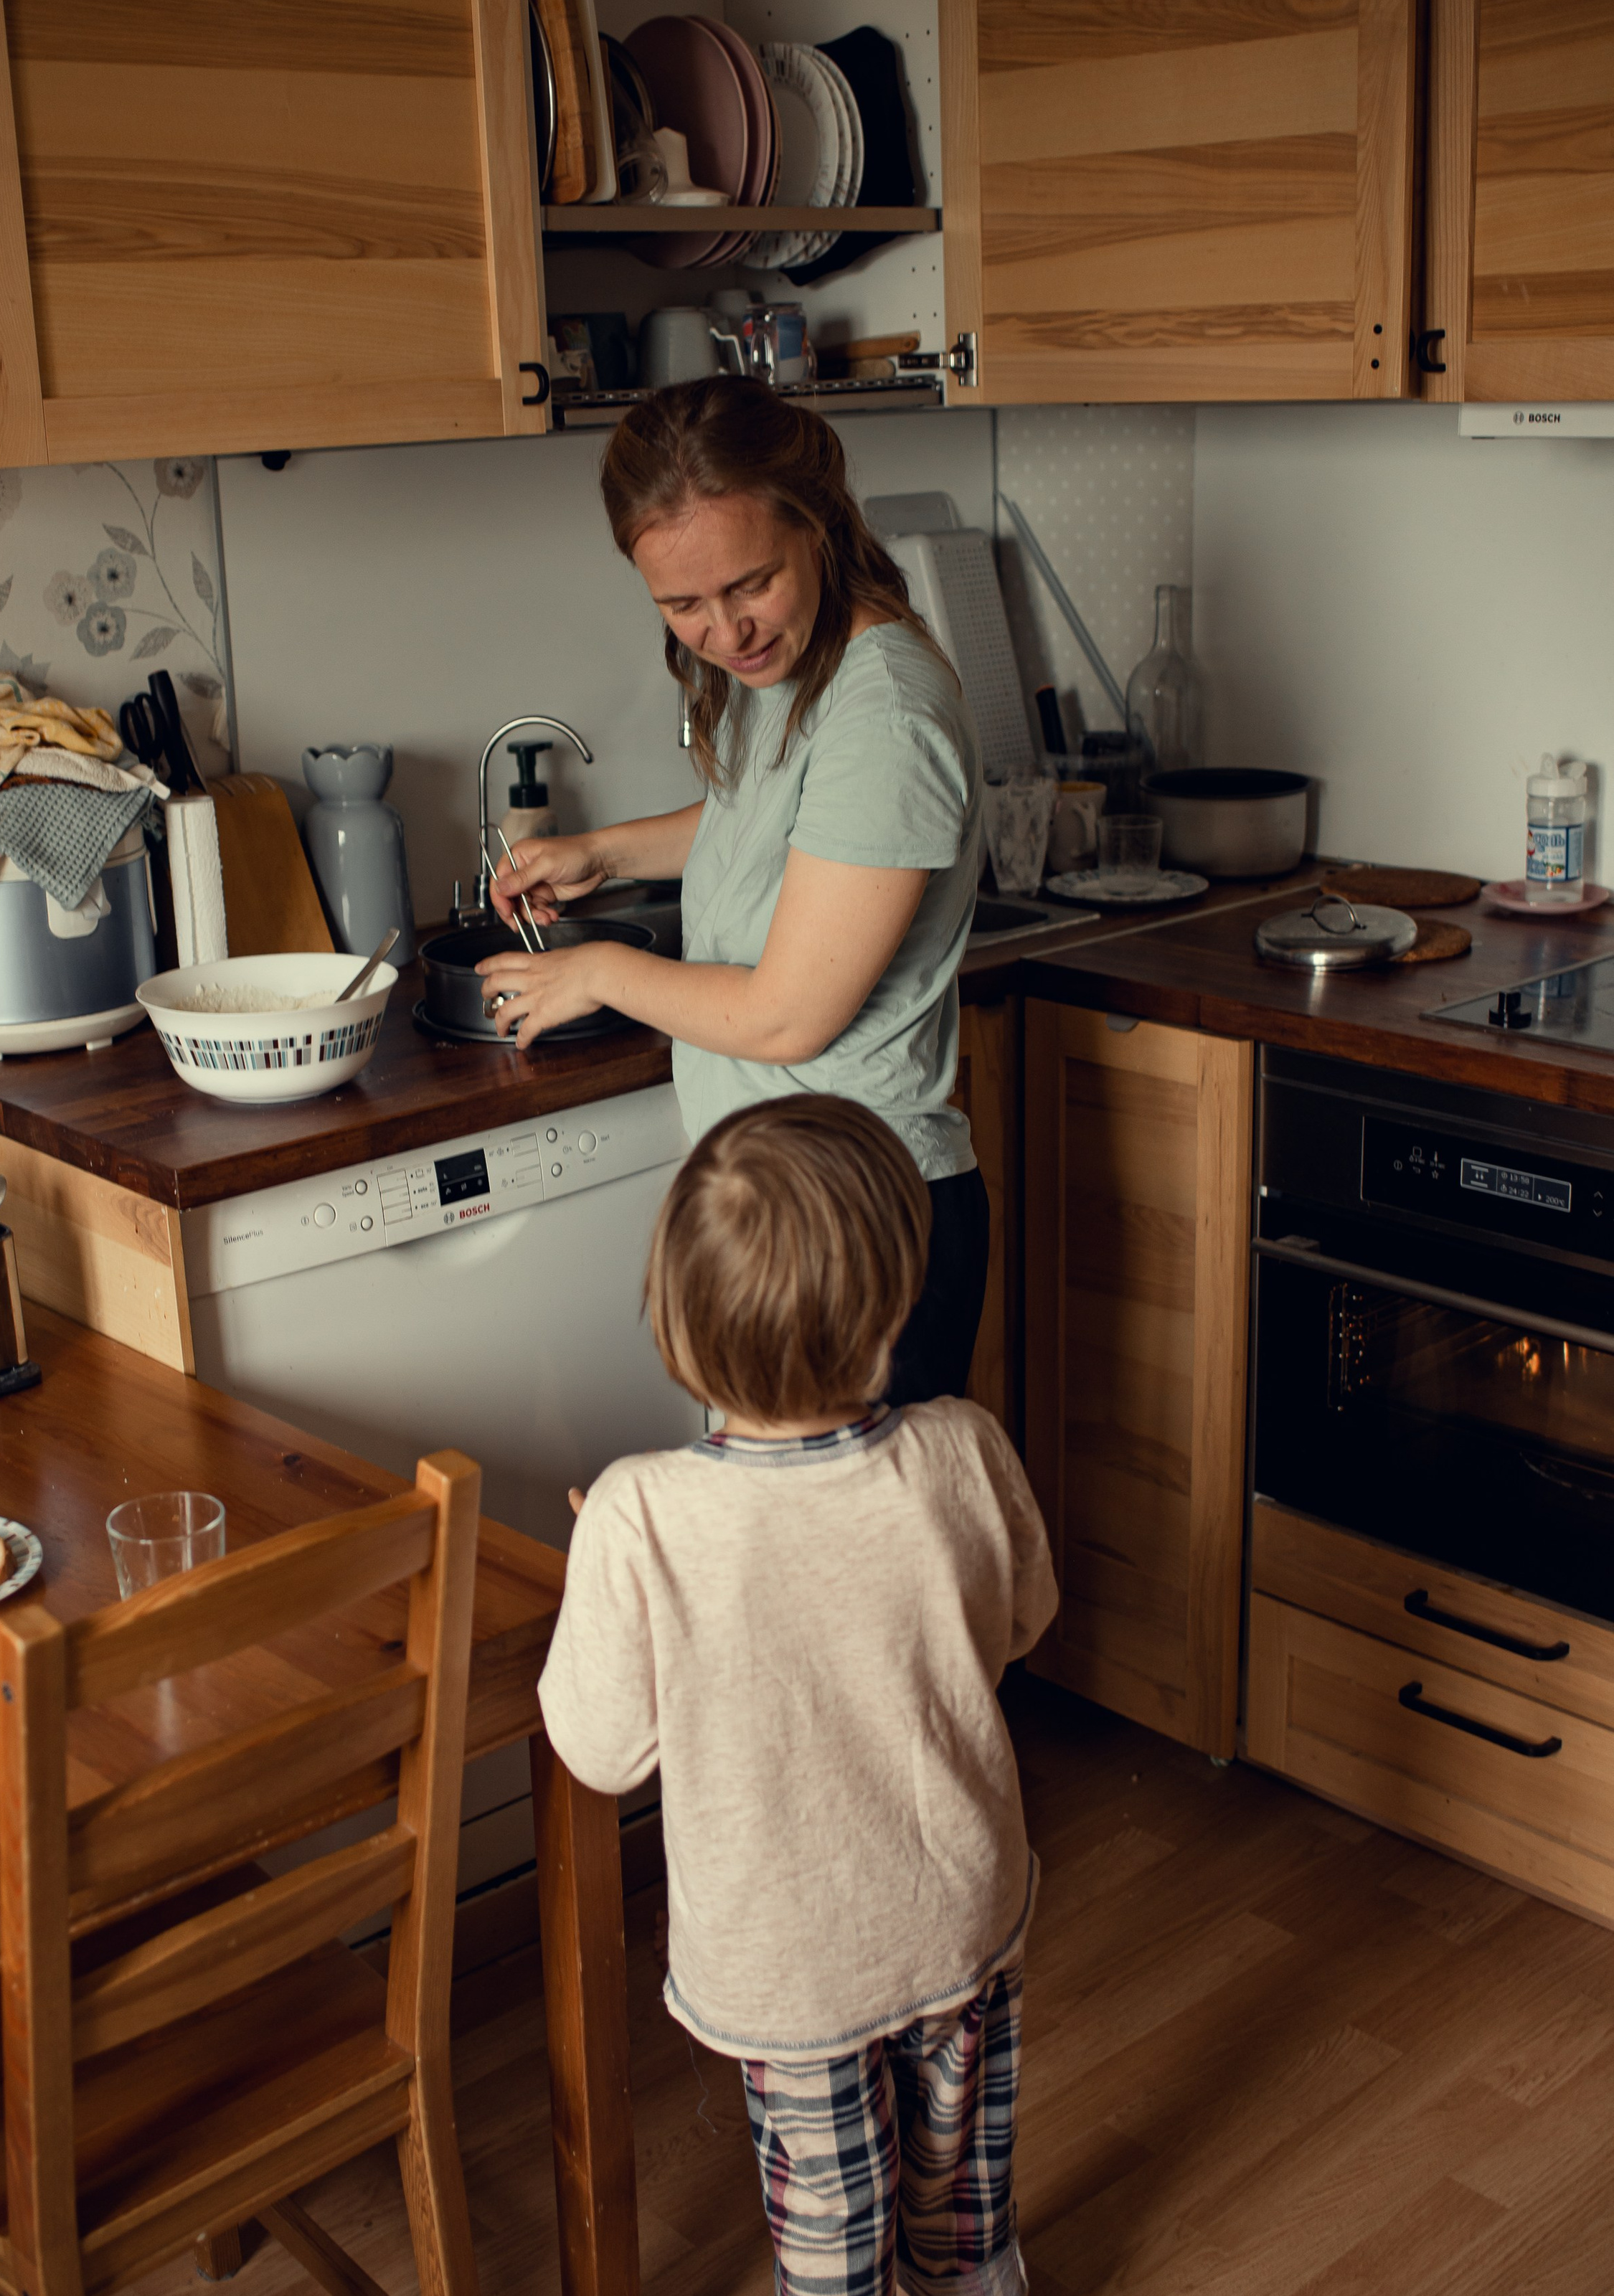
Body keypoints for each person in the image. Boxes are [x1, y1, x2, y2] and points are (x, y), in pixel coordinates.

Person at [539, 1095, 1057, 2296]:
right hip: (962, 1910)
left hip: (791, 1961)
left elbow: (600, 1746)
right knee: (962, 2206)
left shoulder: (637, 1514)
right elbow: (1021, 1622)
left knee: (834, 2236)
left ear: (674, 1314)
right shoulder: (965, 1445)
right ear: (892, 1307)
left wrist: (600, 1581)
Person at [477, 377, 988, 1405]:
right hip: (789, 1204)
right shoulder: (796, 663)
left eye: (752, 584)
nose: (726, 631)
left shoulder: (885, 712)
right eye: (682, 605)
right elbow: (780, 828)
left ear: (817, 527)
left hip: (857, 1223)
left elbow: (789, 1014)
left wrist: (598, 971)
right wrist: (605, 853)